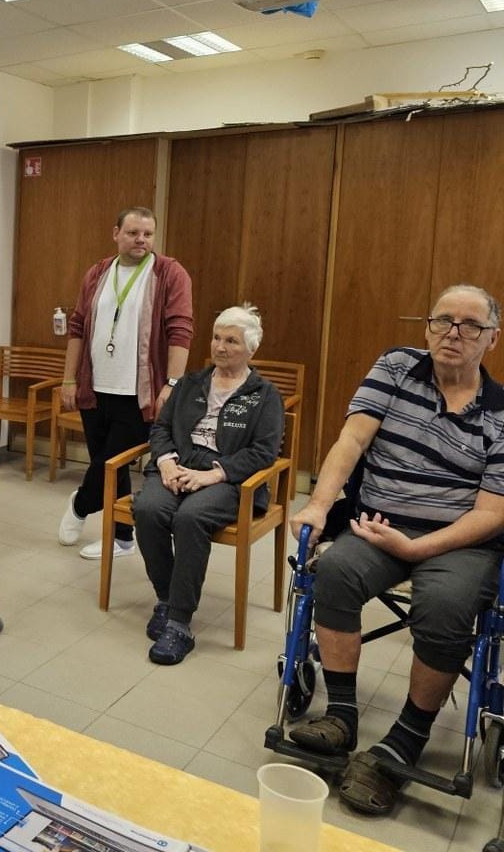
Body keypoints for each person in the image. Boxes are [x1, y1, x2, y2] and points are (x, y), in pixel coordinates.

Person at [288, 285, 504, 816]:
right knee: (335, 569)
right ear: (427, 327)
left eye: (470, 325)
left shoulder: (501, 413)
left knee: (447, 607)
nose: (453, 333)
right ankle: (341, 716)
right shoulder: (395, 367)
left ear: (492, 340)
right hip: (380, 523)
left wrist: (419, 546)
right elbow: (351, 442)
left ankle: (405, 739)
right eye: (442, 321)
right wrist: (318, 505)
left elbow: (491, 514)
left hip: (460, 542)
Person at [132, 304, 283, 665]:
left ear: (251, 348)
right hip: (178, 467)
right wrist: (166, 463)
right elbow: (161, 429)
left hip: (229, 479)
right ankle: (167, 599)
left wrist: (214, 474)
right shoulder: (189, 384)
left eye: (231, 340)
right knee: (148, 508)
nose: (220, 346)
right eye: (217, 337)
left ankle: (179, 623)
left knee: (190, 518)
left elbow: (265, 452)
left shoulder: (264, 395)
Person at [58, 206, 194, 560]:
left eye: (148, 234)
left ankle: (81, 504)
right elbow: (76, 327)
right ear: (116, 233)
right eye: (133, 232)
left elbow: (181, 331)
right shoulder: (98, 272)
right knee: (107, 465)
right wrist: (69, 378)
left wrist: (173, 384)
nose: (141, 240)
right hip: (95, 387)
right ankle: (122, 537)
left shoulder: (169, 273)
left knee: (109, 463)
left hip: (140, 394)